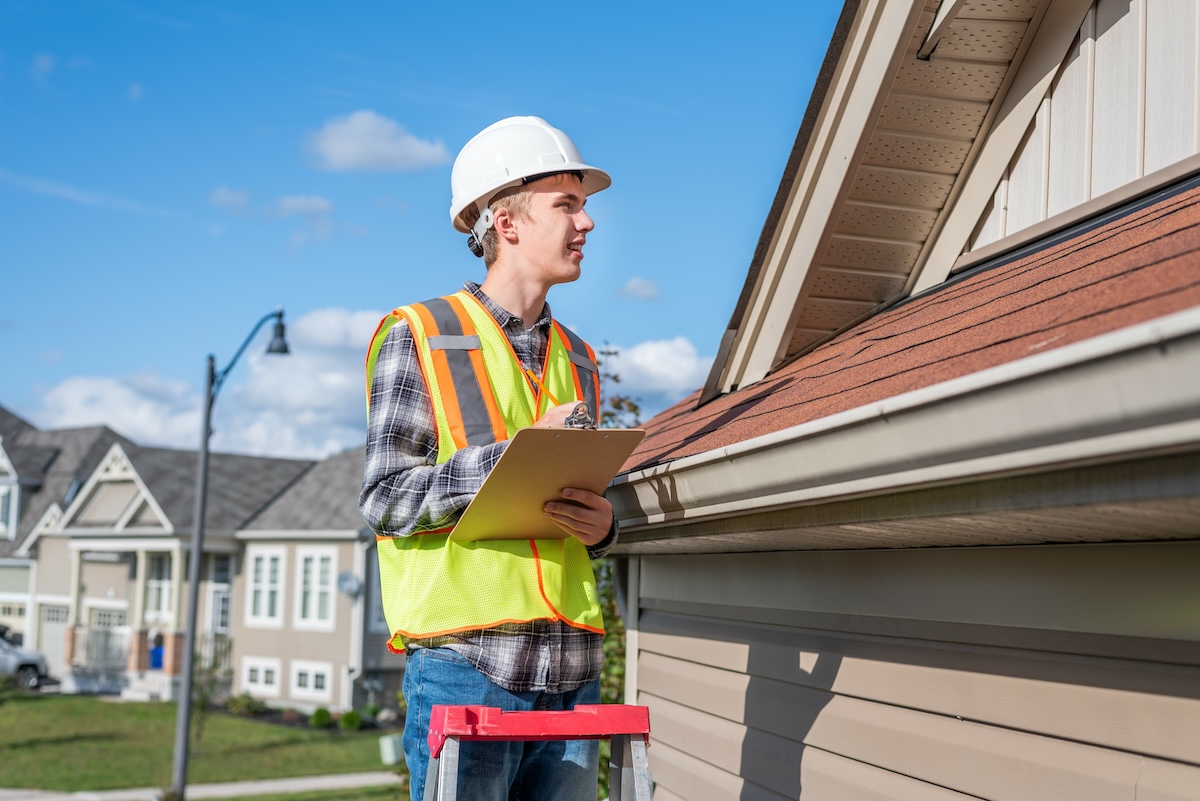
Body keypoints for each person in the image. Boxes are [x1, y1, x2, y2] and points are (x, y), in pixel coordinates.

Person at [359, 116, 617, 801]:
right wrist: (516, 455)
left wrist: (603, 527)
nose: (587, 222)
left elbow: (566, 510)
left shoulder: (582, 361)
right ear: (506, 223)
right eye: (567, 204)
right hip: (468, 665)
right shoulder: (421, 334)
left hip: (572, 670)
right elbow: (384, 498)